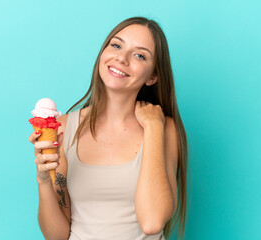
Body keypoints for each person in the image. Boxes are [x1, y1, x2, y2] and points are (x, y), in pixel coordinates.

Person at [28, 16, 188, 240]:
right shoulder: (65, 127)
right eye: (116, 45)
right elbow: (56, 236)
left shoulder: (163, 129)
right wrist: (43, 180)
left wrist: (152, 127)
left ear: (153, 76)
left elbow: (152, 222)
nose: (121, 58)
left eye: (139, 55)